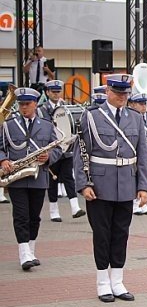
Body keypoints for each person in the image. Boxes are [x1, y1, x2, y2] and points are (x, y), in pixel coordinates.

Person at [73, 74, 147, 303]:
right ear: (107, 92)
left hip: (126, 183)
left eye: (125, 94)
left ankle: (117, 280)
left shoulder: (135, 118)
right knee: (102, 235)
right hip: (99, 184)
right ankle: (102, 282)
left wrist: (143, 186)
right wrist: (83, 183)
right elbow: (81, 152)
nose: (122, 97)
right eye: (118, 93)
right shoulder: (92, 116)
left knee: (121, 234)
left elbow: (142, 154)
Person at [1, 87, 62, 270]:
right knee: (21, 216)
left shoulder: (47, 124)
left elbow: (58, 148)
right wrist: (3, 160)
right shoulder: (8, 124)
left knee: (34, 216)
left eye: (27, 104)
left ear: (35, 104)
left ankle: (31, 250)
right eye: (21, 104)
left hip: (38, 176)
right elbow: (1, 146)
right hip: (16, 177)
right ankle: (23, 253)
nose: (24, 108)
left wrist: (49, 157)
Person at [37, 80, 86, 222]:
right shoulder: (41, 109)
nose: (56, 94)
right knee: (53, 180)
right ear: (47, 92)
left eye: (58, 91)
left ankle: (75, 208)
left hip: (66, 149)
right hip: (52, 149)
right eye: (53, 91)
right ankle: (54, 211)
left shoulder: (65, 107)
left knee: (68, 178)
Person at [128, 91, 147, 215]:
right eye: (140, 104)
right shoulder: (130, 118)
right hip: (136, 152)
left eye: (145, 104)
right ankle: (135, 203)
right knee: (136, 178)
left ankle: (143, 203)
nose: (143, 106)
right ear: (133, 105)